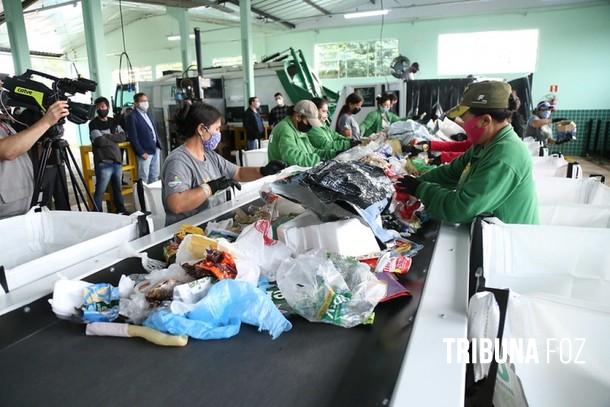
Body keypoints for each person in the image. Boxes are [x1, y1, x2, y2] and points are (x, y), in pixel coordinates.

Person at [396, 80, 538, 225]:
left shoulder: (506, 155)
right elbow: (451, 172)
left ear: (485, 121)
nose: (462, 125)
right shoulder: (485, 145)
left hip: (506, 242)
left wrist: (421, 189)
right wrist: (416, 182)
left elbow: (460, 209)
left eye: (464, 119)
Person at [162, 102, 285, 226]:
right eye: (216, 129)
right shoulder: (178, 162)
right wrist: (210, 187)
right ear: (201, 129)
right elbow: (176, 204)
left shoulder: (210, 155)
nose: (218, 133)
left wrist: (263, 171)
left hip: (211, 224)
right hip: (188, 232)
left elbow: (238, 173)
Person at [0, 100, 69, 219]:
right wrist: (46, 122)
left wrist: (46, 135)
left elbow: (23, 153)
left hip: (23, 208)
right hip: (6, 215)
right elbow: (8, 151)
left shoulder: (5, 124)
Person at [89, 97, 127, 213]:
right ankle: (98, 213)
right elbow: (98, 141)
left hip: (117, 162)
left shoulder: (114, 121)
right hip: (103, 162)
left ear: (108, 107)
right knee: (100, 190)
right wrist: (113, 137)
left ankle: (120, 211)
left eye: (103, 106)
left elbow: (123, 137)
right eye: (98, 107)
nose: (101, 109)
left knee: (118, 189)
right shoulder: (93, 123)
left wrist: (106, 136)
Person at [268, 100, 329, 167]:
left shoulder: (297, 128)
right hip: (283, 175)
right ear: (298, 117)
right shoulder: (285, 129)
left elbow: (311, 151)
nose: (310, 126)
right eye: (308, 122)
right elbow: (292, 157)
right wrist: (319, 160)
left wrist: (330, 155)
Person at [126, 92, 161, 183]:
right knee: (143, 178)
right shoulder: (132, 117)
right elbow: (133, 137)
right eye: (143, 101)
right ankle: (142, 197)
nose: (146, 103)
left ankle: (153, 196)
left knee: (155, 176)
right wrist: (141, 152)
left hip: (155, 148)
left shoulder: (149, 114)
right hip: (145, 152)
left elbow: (153, 129)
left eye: (146, 100)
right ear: (136, 103)